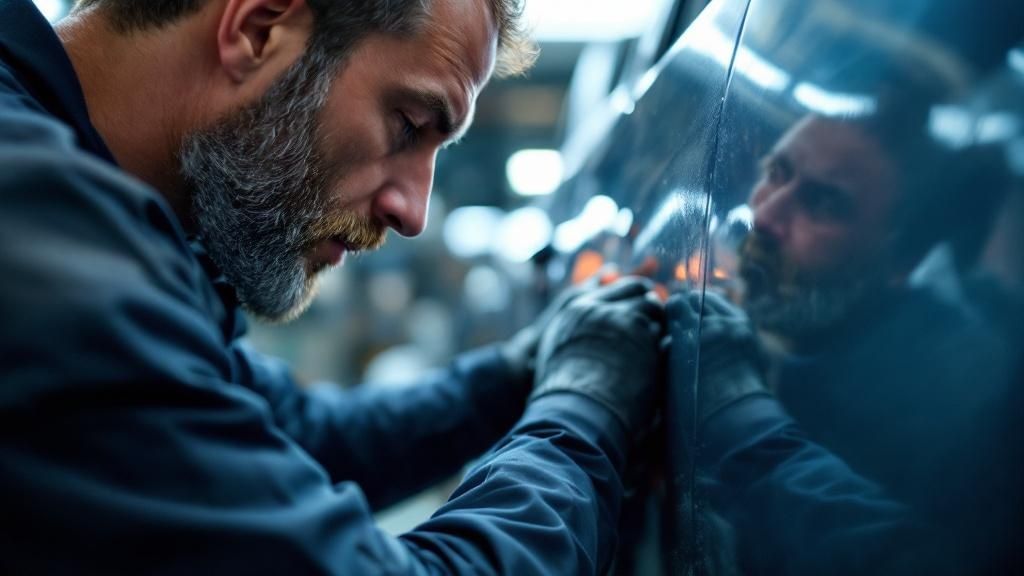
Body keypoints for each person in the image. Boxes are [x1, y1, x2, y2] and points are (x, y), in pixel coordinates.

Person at [0, 0, 666, 573]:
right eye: (408, 125)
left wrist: (521, 371)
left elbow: (293, 435)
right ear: (258, 31)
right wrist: (586, 408)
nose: (412, 212)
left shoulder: (104, 225)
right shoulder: (34, 231)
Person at [669, 108, 1020, 575]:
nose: (765, 214)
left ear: (903, 258)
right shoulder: (806, 339)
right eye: (777, 172)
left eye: (825, 203)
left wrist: (738, 421)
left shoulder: (960, 399)